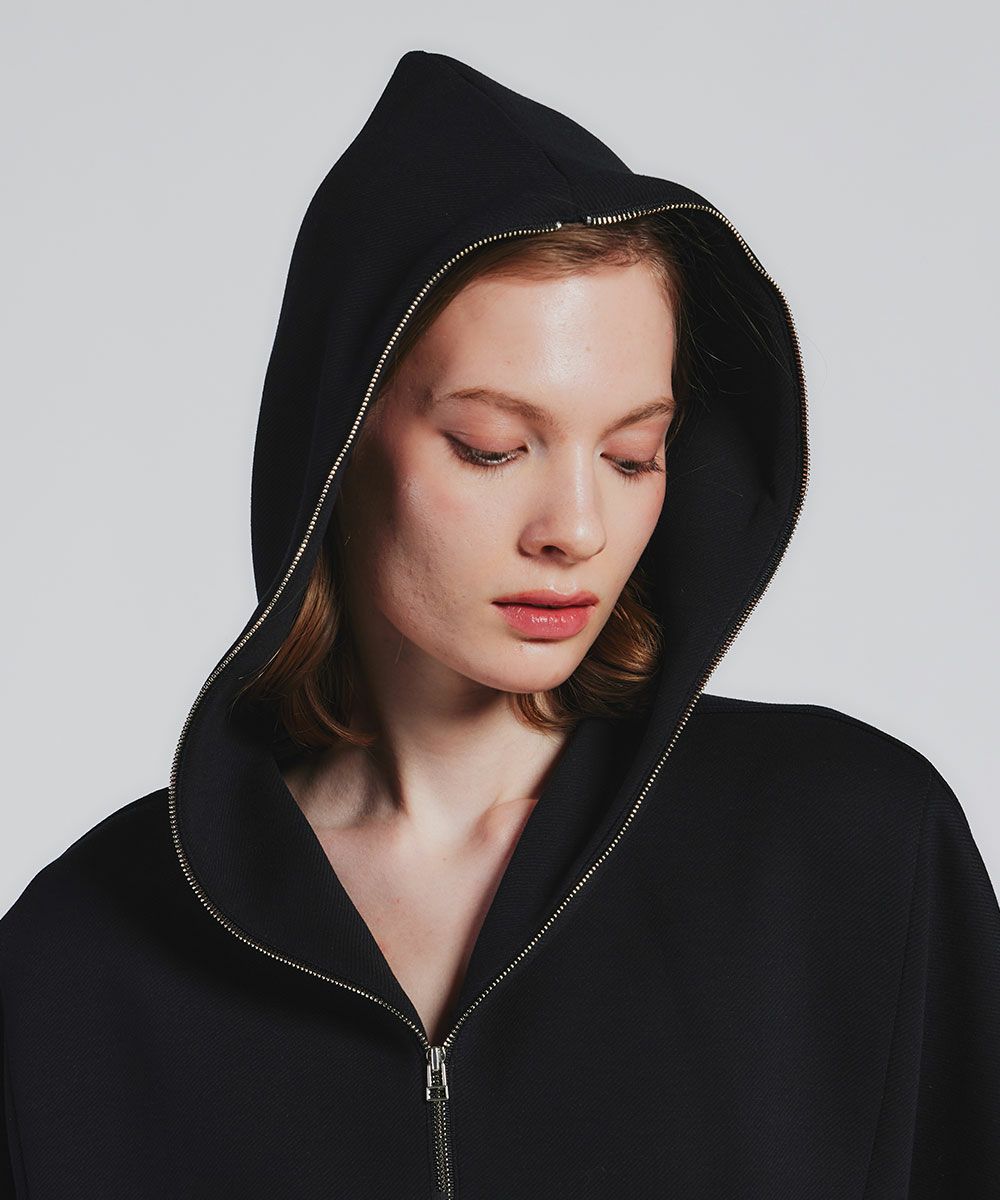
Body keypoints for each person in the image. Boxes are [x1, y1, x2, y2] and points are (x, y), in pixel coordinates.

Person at [1, 48, 997, 1199]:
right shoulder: (80, 959)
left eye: (632, 455)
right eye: (492, 447)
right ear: (338, 443)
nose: (574, 528)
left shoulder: (849, 852)